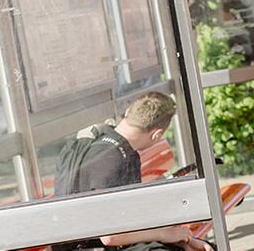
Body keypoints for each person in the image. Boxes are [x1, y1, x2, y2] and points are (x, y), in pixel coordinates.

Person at [51, 92, 210, 251]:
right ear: (156, 135)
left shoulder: (100, 140)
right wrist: (164, 234)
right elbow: (111, 237)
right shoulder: (115, 159)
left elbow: (130, 218)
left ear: (128, 112)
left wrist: (183, 239)